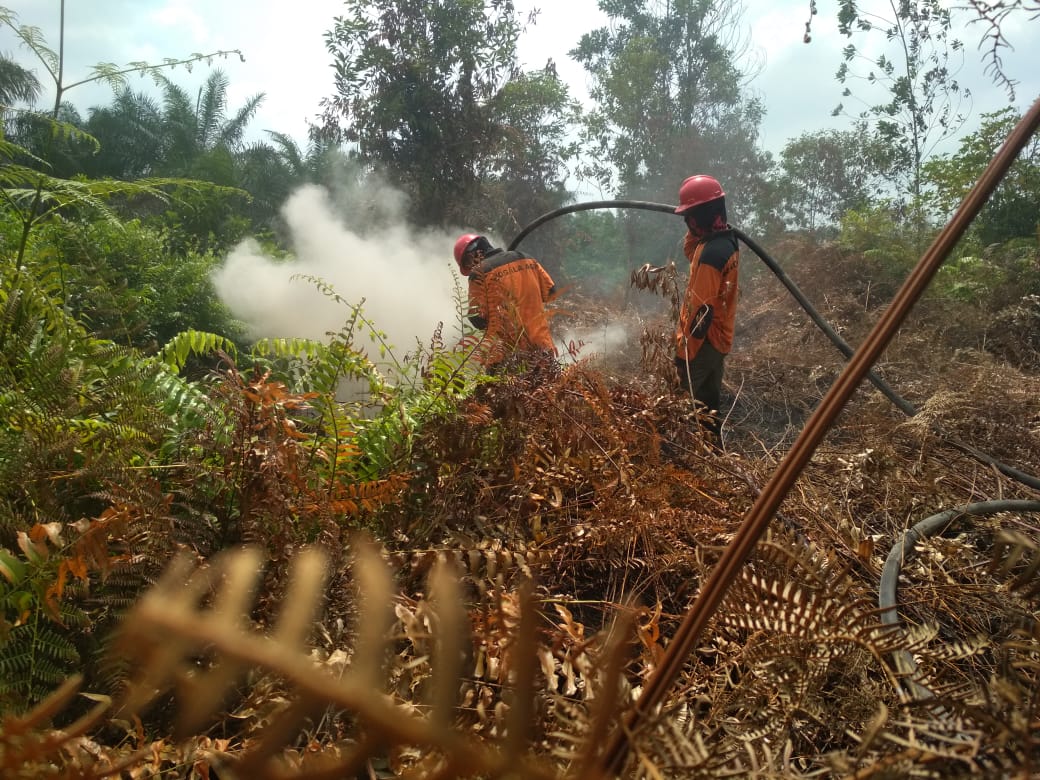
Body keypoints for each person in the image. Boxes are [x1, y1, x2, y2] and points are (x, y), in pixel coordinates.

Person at [672, 175, 739, 444]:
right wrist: (694, 221)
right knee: (709, 405)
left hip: (702, 343)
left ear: (699, 217)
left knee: (678, 405)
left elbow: (701, 313)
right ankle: (714, 454)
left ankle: (678, 458)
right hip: (719, 339)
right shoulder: (724, 241)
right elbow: (691, 250)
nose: (687, 222)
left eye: (689, 217)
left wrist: (683, 354)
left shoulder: (712, 255)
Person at [452, 233, 558, 371]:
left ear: (471, 255)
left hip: (505, 357)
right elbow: (551, 293)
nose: (470, 267)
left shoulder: (479, 273)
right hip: (542, 348)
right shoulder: (527, 259)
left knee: (492, 391)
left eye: (467, 263)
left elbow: (477, 319)